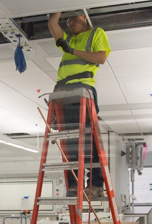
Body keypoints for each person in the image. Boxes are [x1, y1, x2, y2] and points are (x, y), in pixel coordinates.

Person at [47, 11, 111, 197]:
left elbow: (101, 58)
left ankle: (95, 184)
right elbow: (52, 23)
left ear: (84, 16)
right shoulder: (69, 39)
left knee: (88, 140)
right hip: (63, 91)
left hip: (83, 89)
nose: (70, 22)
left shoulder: (95, 33)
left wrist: (71, 50)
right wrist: (57, 5)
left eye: (74, 18)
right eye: (68, 20)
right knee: (70, 142)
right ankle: (75, 184)